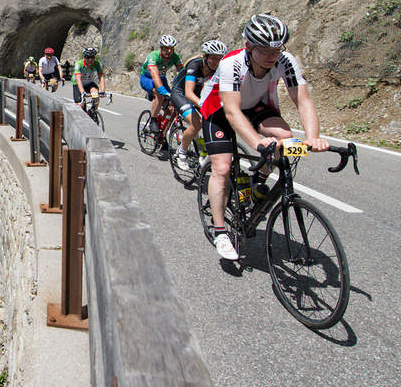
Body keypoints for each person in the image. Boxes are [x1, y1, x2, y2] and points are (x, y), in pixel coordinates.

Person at [198, 14, 328, 261]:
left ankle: (257, 180)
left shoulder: (285, 61)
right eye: (266, 50)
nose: (273, 55)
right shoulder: (231, 63)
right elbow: (232, 111)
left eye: (277, 49)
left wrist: (313, 137)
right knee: (223, 168)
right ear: (249, 46)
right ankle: (220, 231)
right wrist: (257, 142)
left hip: (256, 106)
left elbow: (303, 100)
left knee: (285, 137)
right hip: (220, 109)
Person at [169, 39, 227, 170]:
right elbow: (188, 93)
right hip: (181, 94)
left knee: (212, 121)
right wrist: (204, 105)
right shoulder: (195, 65)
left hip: (199, 95)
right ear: (205, 57)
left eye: (219, 59)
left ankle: (202, 151)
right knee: (197, 123)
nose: (216, 62)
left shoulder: (218, 69)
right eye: (213, 58)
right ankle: (181, 153)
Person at [139, 35, 182, 132]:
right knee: (160, 95)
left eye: (171, 49)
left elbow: (183, 73)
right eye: (166, 49)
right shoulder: (153, 56)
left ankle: (162, 136)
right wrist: (164, 92)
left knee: (171, 109)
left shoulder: (175, 57)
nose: (169, 51)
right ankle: (153, 120)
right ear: (161, 48)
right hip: (147, 79)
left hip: (162, 79)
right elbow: (155, 76)